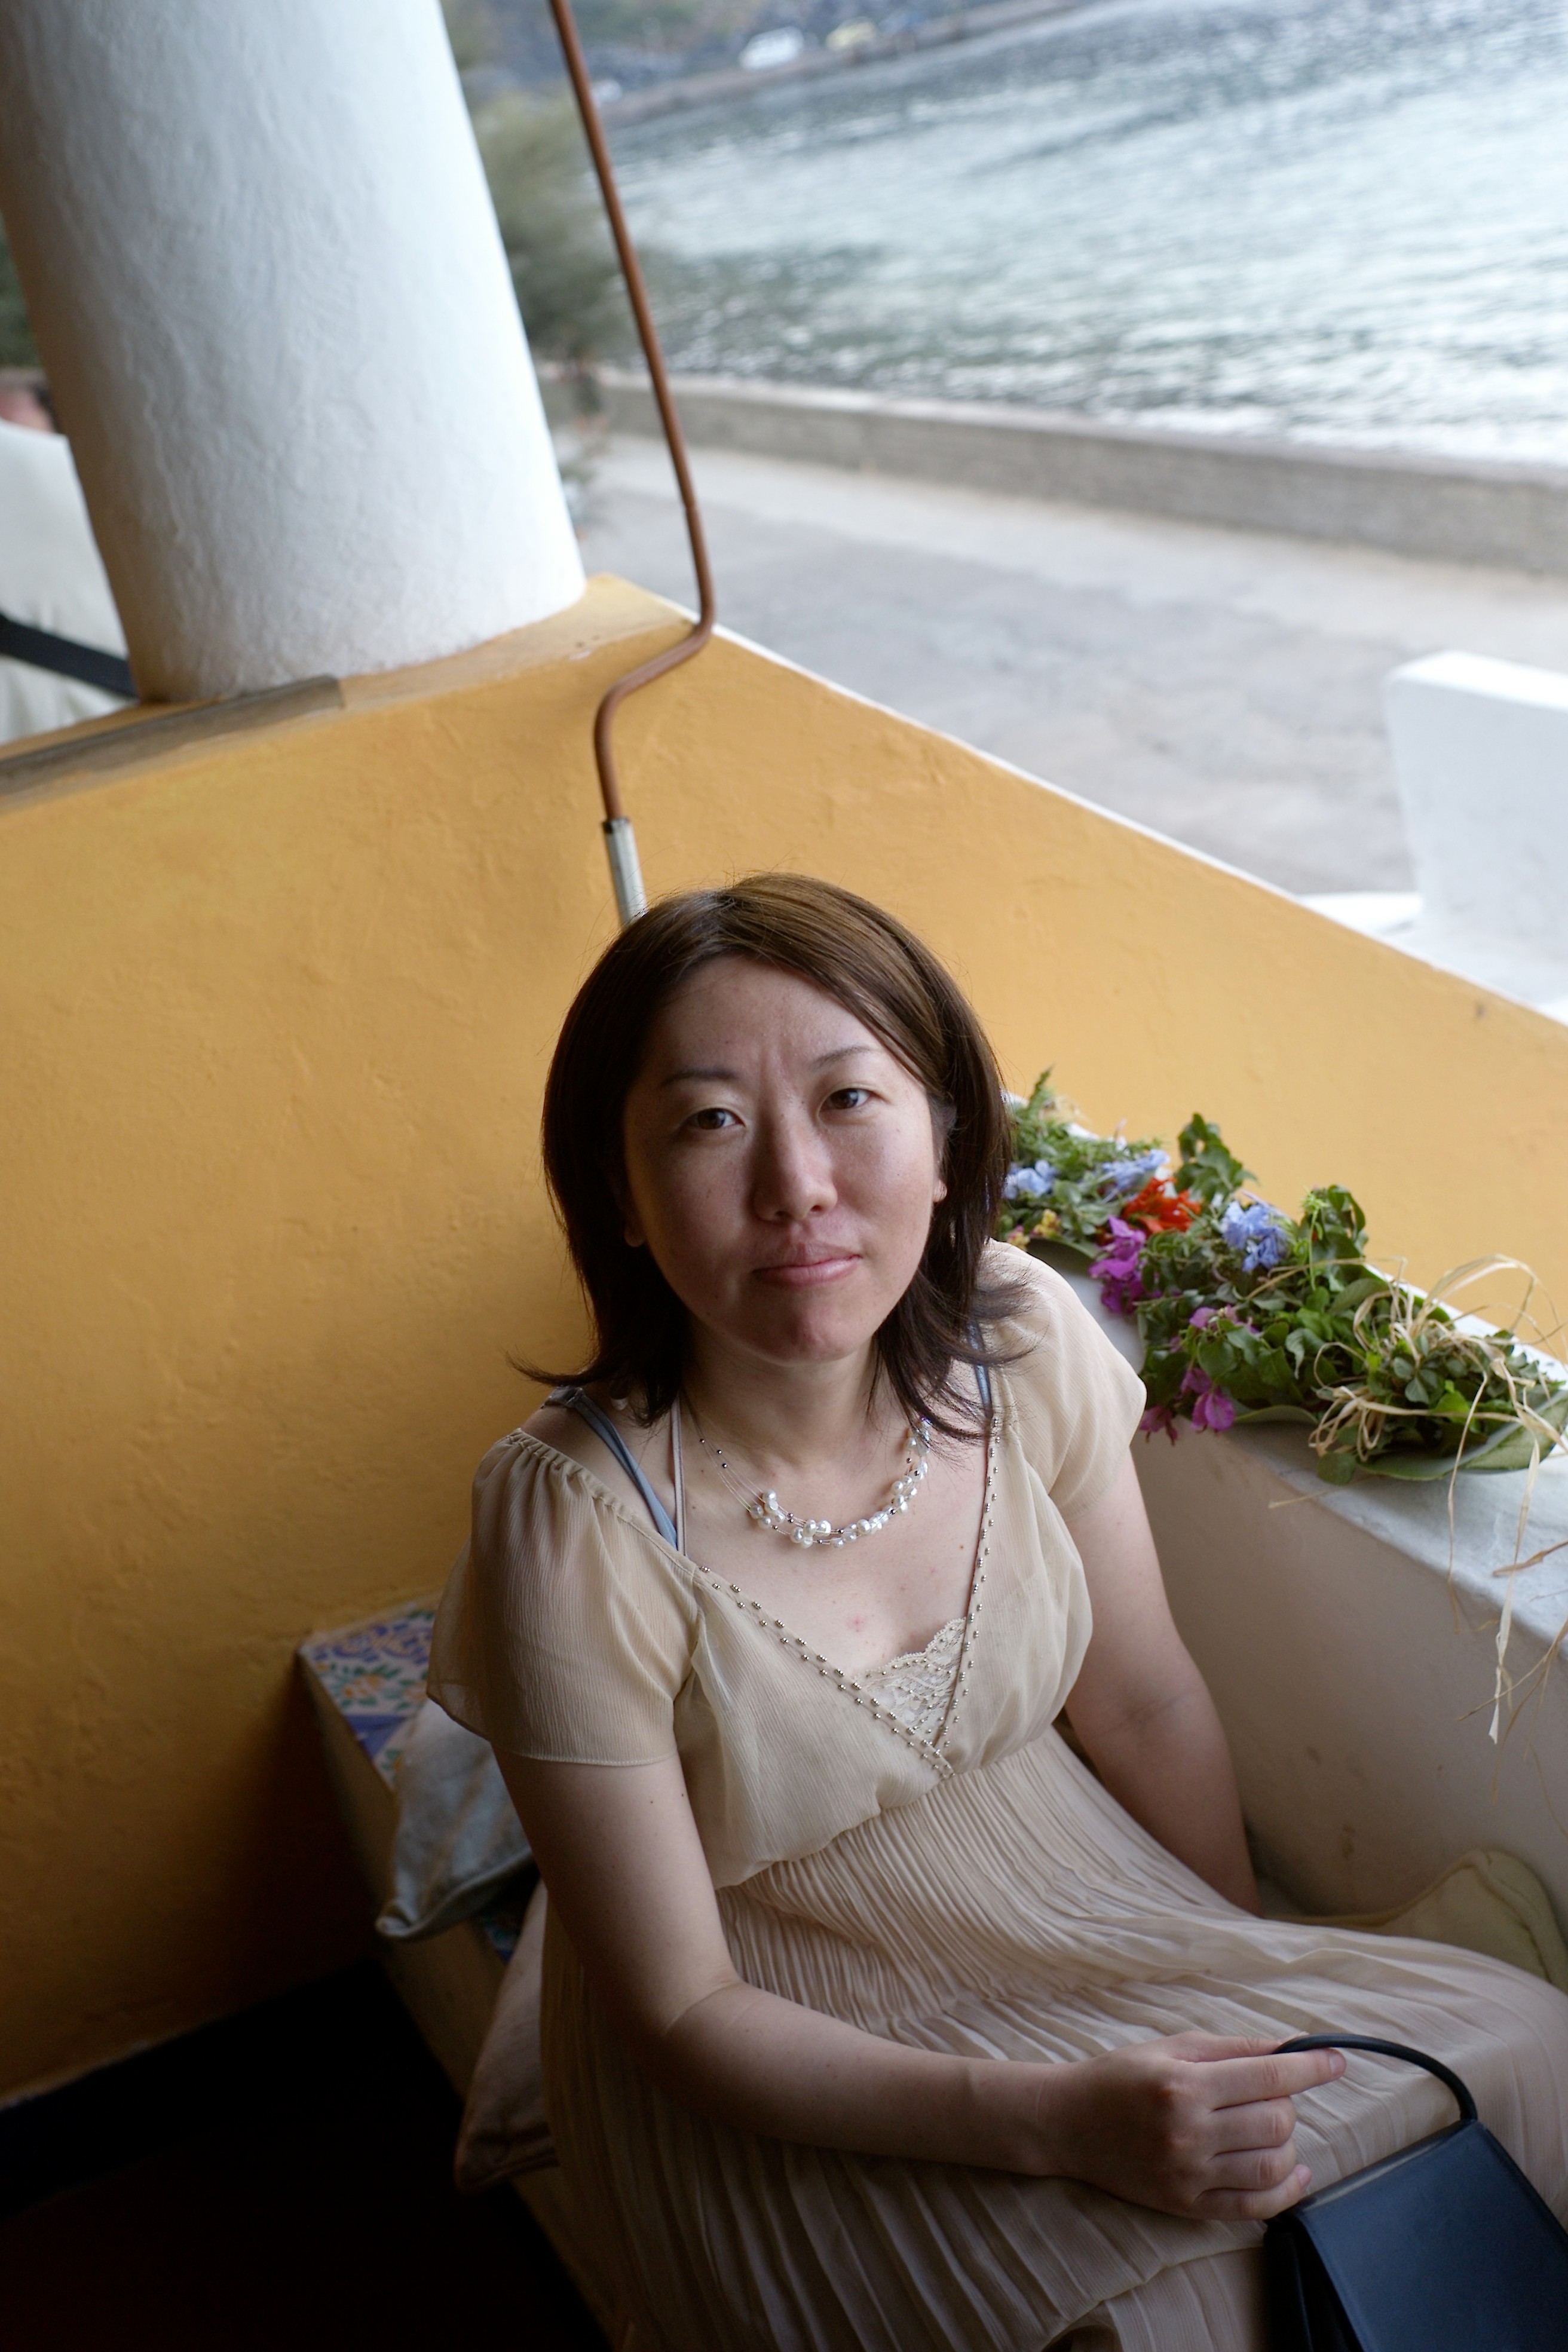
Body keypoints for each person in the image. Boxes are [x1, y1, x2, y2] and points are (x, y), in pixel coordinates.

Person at [429, 874, 1568, 2350]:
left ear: (947, 1136)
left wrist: (1234, 1982)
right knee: (1170, 2321)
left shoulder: (1015, 1343)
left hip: (1064, 1894)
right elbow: (682, 2014)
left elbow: (1142, 1701)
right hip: (766, 2022)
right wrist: (1058, 2119)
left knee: (1523, 2057)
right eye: (708, 1122)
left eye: (849, 1098)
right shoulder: (571, 1522)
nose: (795, 1185)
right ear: (621, 1196)